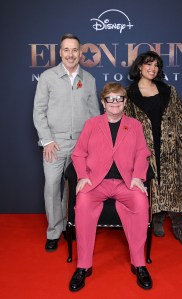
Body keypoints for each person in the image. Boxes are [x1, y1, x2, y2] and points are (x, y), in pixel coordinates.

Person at [69, 82, 152, 292]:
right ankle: (83, 266)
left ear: (124, 102)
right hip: (97, 182)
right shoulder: (92, 124)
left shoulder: (134, 125)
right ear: (103, 102)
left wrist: (138, 177)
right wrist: (82, 177)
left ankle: (139, 264)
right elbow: (78, 154)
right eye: (110, 99)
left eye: (119, 99)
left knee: (141, 202)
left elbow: (142, 153)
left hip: (125, 182)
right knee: (83, 202)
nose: (114, 103)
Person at [33, 33, 100, 252]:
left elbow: (94, 116)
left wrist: (90, 145)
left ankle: (70, 226)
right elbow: (39, 111)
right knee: (53, 187)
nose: (71, 55)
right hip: (55, 143)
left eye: (74, 50)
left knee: (76, 189)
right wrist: (47, 140)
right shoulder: (47, 77)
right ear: (60, 52)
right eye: (66, 50)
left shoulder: (88, 79)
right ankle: (54, 231)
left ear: (81, 53)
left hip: (81, 146)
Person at [124, 50, 182, 248]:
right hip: (144, 148)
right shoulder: (129, 95)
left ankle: (178, 224)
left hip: (170, 146)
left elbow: (181, 114)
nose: (152, 68)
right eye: (148, 64)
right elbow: (125, 125)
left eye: (156, 65)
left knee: (172, 185)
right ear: (139, 66)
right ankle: (156, 217)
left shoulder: (169, 90)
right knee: (152, 183)